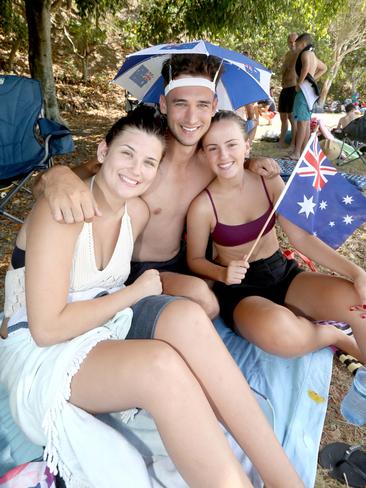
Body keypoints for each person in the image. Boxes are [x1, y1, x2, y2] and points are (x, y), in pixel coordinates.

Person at [0, 106, 304, 488]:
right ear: (102, 152)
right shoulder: (62, 211)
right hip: (45, 350)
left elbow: (226, 167)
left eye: (149, 161)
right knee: (161, 366)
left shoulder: (137, 212)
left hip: (103, 325)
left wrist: (257, 159)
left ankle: (284, 478)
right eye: (126, 153)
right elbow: (46, 330)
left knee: (188, 317)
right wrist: (55, 176)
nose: (135, 169)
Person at [35, 53, 280, 319]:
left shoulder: (209, 159)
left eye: (201, 105)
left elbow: (231, 161)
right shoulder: (144, 153)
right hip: (133, 267)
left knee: (214, 294)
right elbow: (58, 182)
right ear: (163, 104)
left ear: (214, 106)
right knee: (201, 296)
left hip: (181, 261)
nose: (191, 117)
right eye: (181, 104)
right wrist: (57, 175)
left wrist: (253, 162)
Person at [186, 110, 366, 362]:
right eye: (213, 148)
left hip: (282, 273)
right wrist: (222, 274)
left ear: (247, 145)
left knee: (359, 301)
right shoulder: (202, 207)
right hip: (241, 290)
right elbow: (194, 259)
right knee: (280, 331)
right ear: (204, 154)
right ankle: (332, 335)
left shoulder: (268, 181)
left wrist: (357, 273)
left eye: (231, 144)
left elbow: (301, 238)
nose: (223, 155)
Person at [290, 33, 327, 160]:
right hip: (309, 91)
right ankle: (304, 151)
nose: (297, 47)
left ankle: (296, 153)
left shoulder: (305, 54)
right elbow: (324, 68)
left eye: (298, 44)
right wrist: (312, 79)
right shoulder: (314, 56)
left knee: (301, 123)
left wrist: (300, 83)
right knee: (305, 123)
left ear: (304, 43)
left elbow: (305, 67)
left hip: (304, 91)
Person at [278, 33, 298, 147]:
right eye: (290, 42)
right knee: (283, 117)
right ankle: (281, 141)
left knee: (292, 117)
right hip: (284, 88)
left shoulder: (300, 54)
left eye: (295, 41)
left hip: (293, 88)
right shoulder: (287, 54)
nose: (292, 44)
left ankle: (293, 144)